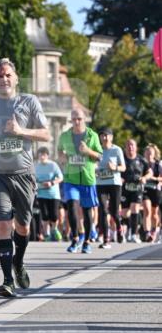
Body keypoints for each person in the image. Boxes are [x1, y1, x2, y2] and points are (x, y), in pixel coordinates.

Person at [0, 58, 50, 298]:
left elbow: (46, 134)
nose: (4, 79)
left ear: (16, 79)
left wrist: (21, 131)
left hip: (23, 174)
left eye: (8, 75)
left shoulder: (29, 102)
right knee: (3, 224)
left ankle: (18, 261)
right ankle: (7, 280)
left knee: (23, 227)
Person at [57, 108, 101, 254]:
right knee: (72, 206)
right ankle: (75, 238)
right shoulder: (64, 136)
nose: (76, 122)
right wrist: (62, 157)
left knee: (87, 212)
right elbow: (59, 151)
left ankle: (87, 242)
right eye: (74, 119)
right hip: (71, 178)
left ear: (84, 119)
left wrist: (88, 151)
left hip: (87, 178)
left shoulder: (92, 135)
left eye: (79, 119)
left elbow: (99, 156)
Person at [95, 128, 125, 249]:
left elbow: (123, 168)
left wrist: (114, 167)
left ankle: (119, 227)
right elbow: (92, 165)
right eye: (102, 136)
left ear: (111, 137)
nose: (105, 138)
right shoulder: (97, 150)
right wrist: (94, 170)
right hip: (101, 183)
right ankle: (106, 239)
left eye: (107, 136)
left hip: (114, 183)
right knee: (103, 210)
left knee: (114, 211)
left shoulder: (117, 150)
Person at [121, 138, 151, 243]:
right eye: (128, 145)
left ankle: (134, 234)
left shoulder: (142, 160)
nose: (130, 147)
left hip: (137, 188)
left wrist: (145, 178)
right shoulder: (122, 159)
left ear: (136, 147)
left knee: (135, 208)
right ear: (125, 148)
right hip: (124, 188)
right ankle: (129, 229)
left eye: (132, 145)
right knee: (125, 213)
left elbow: (149, 172)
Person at [34, 146, 63, 241]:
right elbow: (33, 180)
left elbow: (60, 177)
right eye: (40, 155)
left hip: (53, 194)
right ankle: (47, 234)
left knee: (54, 215)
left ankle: (54, 229)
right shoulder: (36, 167)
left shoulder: (53, 165)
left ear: (47, 155)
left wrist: (52, 183)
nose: (42, 157)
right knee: (45, 214)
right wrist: (39, 184)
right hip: (41, 193)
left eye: (43, 155)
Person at [142, 143, 161, 243]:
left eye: (151, 153)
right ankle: (147, 232)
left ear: (154, 154)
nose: (149, 155)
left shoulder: (158, 164)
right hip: (145, 190)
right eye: (147, 153)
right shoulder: (142, 164)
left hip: (155, 190)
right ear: (144, 154)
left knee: (154, 214)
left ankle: (154, 230)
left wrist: (153, 178)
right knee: (147, 210)